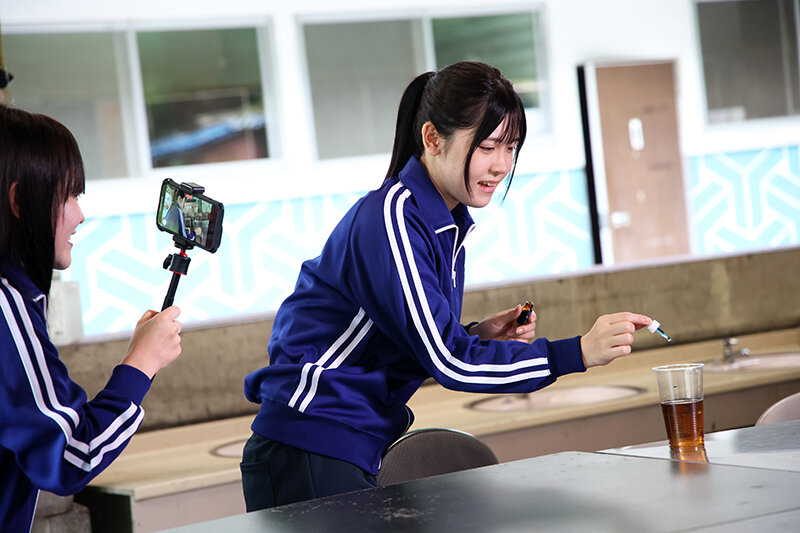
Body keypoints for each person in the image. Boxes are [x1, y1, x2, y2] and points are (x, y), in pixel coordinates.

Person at [240, 62, 652, 510]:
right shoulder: (395, 218)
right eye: (488, 146)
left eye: (511, 147)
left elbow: (419, 340)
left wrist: (475, 335)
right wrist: (578, 352)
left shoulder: (441, 222)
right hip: (309, 442)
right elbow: (449, 363)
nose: (501, 165)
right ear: (433, 139)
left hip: (341, 442)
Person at [0, 105, 183, 531]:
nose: (79, 214)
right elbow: (70, 456)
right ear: (19, 201)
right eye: (69, 195)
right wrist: (141, 365)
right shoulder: (7, 303)